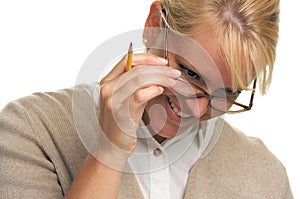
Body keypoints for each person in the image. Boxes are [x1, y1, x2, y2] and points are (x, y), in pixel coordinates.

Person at [0, 0, 293, 198]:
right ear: (154, 23)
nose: (198, 108)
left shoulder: (265, 176)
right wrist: (108, 154)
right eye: (190, 72)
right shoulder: (31, 132)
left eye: (228, 93)